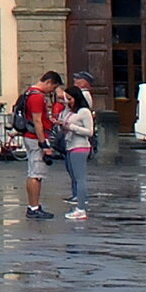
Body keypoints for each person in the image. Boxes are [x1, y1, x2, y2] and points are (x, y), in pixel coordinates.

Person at [21, 70, 63, 220]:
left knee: (33, 172)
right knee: (36, 174)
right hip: (36, 137)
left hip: (30, 135)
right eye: (52, 88)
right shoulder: (37, 97)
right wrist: (43, 143)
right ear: (49, 82)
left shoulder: (29, 93)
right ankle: (33, 207)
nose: (51, 91)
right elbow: (37, 120)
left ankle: (33, 206)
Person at [59, 85, 95, 221]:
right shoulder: (69, 111)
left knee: (80, 178)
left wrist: (72, 127)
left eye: (69, 98)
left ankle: (81, 208)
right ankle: (78, 203)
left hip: (80, 147)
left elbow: (89, 131)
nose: (67, 101)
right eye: (65, 98)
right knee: (74, 176)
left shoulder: (84, 112)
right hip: (70, 145)